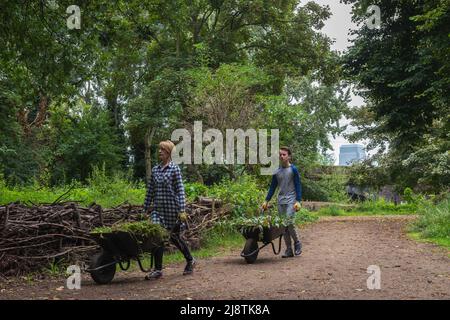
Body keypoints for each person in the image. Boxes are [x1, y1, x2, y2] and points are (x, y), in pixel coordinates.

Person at [143, 140, 195, 279]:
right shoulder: (155, 170)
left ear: (169, 153)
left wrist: (182, 210)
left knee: (175, 238)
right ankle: (158, 270)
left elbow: (180, 190)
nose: (160, 151)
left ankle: (190, 260)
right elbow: (150, 192)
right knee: (156, 236)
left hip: (173, 210)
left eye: (163, 150)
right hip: (158, 211)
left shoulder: (174, 169)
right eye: (159, 149)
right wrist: (145, 209)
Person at [262, 146, 302, 258]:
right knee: (283, 226)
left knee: (289, 222)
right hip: (280, 201)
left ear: (289, 156)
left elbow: (298, 185)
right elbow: (272, 187)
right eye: (280, 154)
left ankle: (297, 243)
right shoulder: (277, 171)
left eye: (284, 154)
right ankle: (289, 250)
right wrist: (266, 200)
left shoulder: (293, 170)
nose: (281, 156)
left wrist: (298, 201)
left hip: (291, 200)